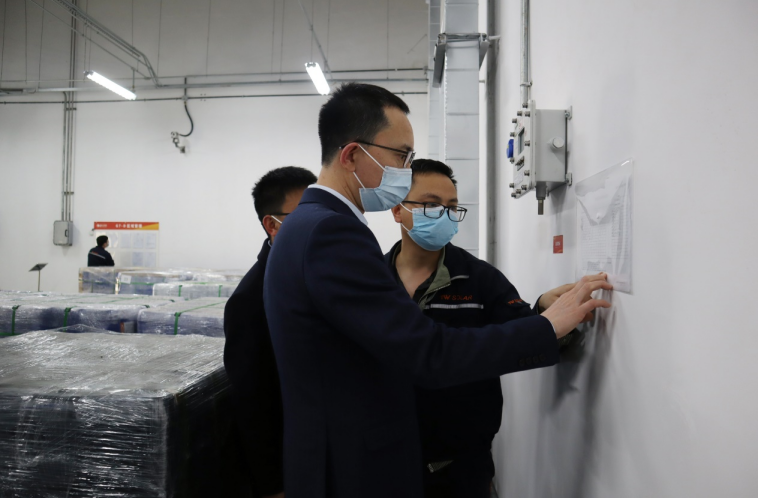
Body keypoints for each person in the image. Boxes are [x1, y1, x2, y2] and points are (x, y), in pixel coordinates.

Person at [263, 82, 612, 498]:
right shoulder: (332, 232)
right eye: (401, 155)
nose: (405, 169)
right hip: (352, 468)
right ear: (352, 155)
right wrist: (546, 326)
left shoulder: (304, 226)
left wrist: (540, 316)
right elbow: (428, 352)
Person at [387, 159, 579, 497]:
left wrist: (543, 313)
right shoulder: (372, 280)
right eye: (431, 205)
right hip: (383, 459)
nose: (445, 216)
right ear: (397, 210)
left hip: (461, 466)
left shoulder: (479, 278)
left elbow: (520, 333)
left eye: (452, 207)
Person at [223, 166, 318, 498]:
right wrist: (273, 485)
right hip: (291, 468)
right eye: (305, 216)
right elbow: (253, 402)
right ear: (272, 225)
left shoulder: (315, 275)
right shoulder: (250, 299)